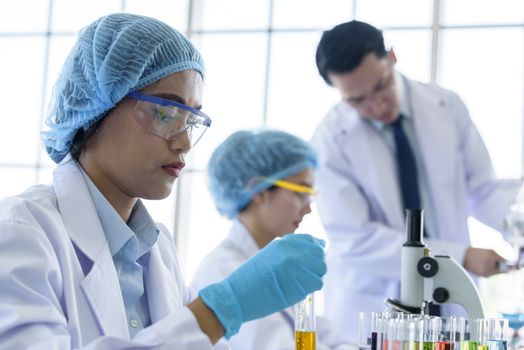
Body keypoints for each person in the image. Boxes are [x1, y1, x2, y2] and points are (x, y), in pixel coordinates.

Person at [0, 13, 327, 349]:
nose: (184, 142)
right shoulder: (20, 233)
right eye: (166, 113)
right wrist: (219, 311)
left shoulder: (158, 251)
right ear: (98, 106)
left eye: (191, 120)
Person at [311, 20, 522, 342]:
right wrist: (458, 257)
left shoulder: (446, 107)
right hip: (375, 304)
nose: (376, 106)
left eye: (381, 86)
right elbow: (357, 239)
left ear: (392, 58)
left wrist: (518, 225)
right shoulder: (330, 141)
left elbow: (482, 190)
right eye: (357, 100)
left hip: (450, 307)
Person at [191, 129, 353, 350]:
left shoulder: (276, 265)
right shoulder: (223, 271)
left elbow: (324, 334)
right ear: (258, 190)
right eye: (300, 193)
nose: (307, 209)